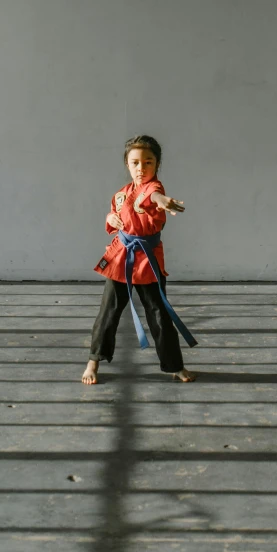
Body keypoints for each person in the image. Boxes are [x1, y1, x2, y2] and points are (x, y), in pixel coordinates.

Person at [82, 134, 197, 385]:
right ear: (127, 164)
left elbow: (152, 197)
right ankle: (93, 360)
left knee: (158, 314)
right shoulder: (122, 194)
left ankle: (174, 365)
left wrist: (163, 201)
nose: (141, 168)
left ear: (156, 165)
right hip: (122, 258)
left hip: (147, 261)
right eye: (135, 162)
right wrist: (110, 218)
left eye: (148, 162)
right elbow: (115, 214)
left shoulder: (155, 189)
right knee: (108, 312)